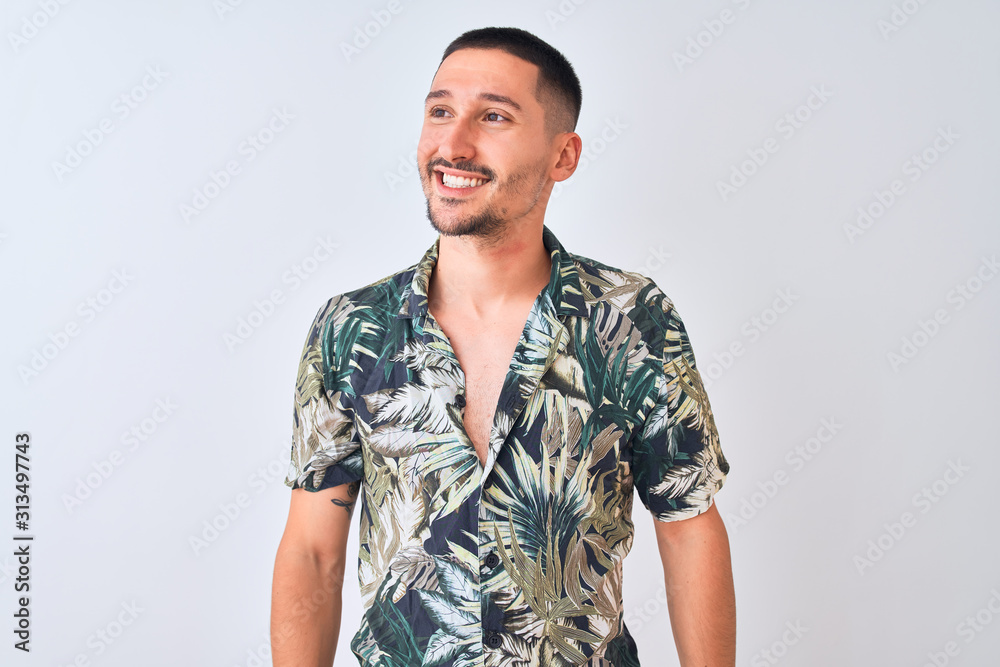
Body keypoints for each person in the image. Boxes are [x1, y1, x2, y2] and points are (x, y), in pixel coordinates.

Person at [271, 26, 735, 667]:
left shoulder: (632, 320)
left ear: (563, 156)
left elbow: (687, 530)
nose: (453, 145)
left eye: (493, 116)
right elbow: (312, 552)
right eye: (440, 111)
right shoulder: (352, 328)